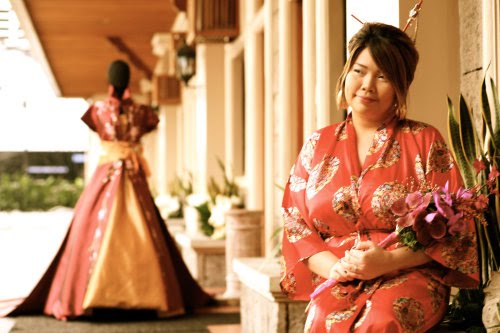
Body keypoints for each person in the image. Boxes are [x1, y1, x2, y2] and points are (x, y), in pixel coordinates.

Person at [280, 22, 479, 332]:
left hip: (407, 276)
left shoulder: (425, 141)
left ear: (400, 86)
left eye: (383, 76)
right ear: (346, 73)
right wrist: (337, 267)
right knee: (321, 322)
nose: (367, 85)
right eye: (359, 71)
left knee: (380, 321)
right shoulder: (317, 144)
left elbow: (456, 226)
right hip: (340, 275)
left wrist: (387, 262)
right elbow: (296, 224)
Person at [2, 60, 212, 320]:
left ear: (110, 81)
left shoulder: (100, 110)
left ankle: (91, 297)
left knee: (87, 229)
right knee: (146, 229)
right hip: (131, 178)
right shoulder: (140, 111)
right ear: (126, 81)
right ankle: (147, 295)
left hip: (111, 175)